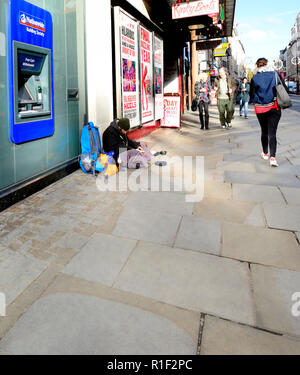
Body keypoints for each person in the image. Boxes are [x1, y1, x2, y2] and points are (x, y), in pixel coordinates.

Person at [250, 58, 288, 167]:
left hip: (260, 109)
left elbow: (252, 95)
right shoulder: (275, 75)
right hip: (274, 107)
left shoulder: (255, 78)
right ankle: (273, 158)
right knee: (272, 133)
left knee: (264, 131)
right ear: (267, 64)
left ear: (257, 66)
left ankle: (265, 153)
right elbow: (284, 88)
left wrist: (258, 99)